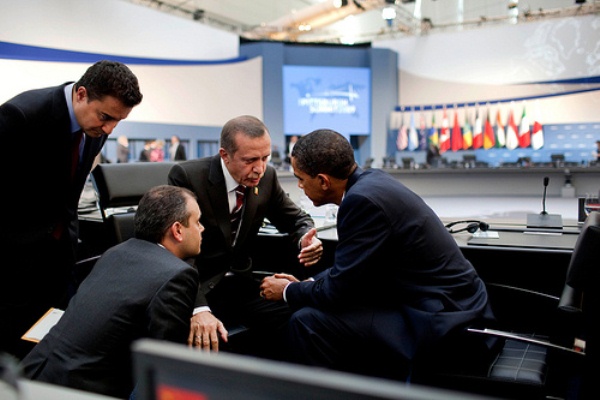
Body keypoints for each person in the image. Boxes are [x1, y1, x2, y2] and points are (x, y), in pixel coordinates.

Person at [259, 129, 495, 379]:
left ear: (323, 181)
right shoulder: (372, 181)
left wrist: (287, 291)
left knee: (306, 322)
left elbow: (337, 291)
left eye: (301, 179)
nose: (299, 186)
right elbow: (353, 270)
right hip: (449, 302)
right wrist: (309, 282)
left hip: (442, 318)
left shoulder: (360, 202)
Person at [0, 60, 143, 360]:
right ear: (81, 94)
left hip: (57, 259)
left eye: (117, 121)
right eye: (106, 117)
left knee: (45, 350)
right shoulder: (21, 116)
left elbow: (67, 193)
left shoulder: (95, 127)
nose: (109, 129)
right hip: (11, 265)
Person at [20, 185, 203, 399]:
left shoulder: (116, 252)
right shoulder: (177, 275)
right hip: (80, 392)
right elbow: (164, 367)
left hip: (32, 375)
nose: (202, 229)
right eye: (197, 222)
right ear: (178, 230)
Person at [168, 115, 323, 358]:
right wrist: (198, 308)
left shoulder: (267, 177)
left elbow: (296, 219)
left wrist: (305, 237)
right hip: (198, 285)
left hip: (241, 283)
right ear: (225, 155)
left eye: (265, 158)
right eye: (250, 160)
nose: (259, 168)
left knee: (303, 318)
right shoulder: (188, 177)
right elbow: (174, 249)